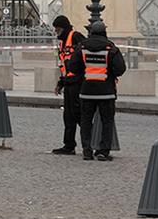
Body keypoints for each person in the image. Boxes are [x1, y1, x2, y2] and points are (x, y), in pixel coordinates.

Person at [65, 23, 127, 161]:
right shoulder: (110, 48)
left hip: (87, 90)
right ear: (104, 32)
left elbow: (72, 67)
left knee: (86, 121)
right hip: (106, 91)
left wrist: (84, 71)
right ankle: (103, 151)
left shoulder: (82, 47)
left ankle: (87, 150)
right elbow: (120, 69)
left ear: (91, 32)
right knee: (107, 121)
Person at [50, 15, 83, 156]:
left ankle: (90, 143)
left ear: (64, 28)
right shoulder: (62, 43)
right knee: (68, 116)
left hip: (78, 82)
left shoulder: (76, 37)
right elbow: (64, 66)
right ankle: (69, 145)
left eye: (58, 30)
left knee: (80, 116)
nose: (57, 33)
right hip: (69, 83)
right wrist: (60, 83)